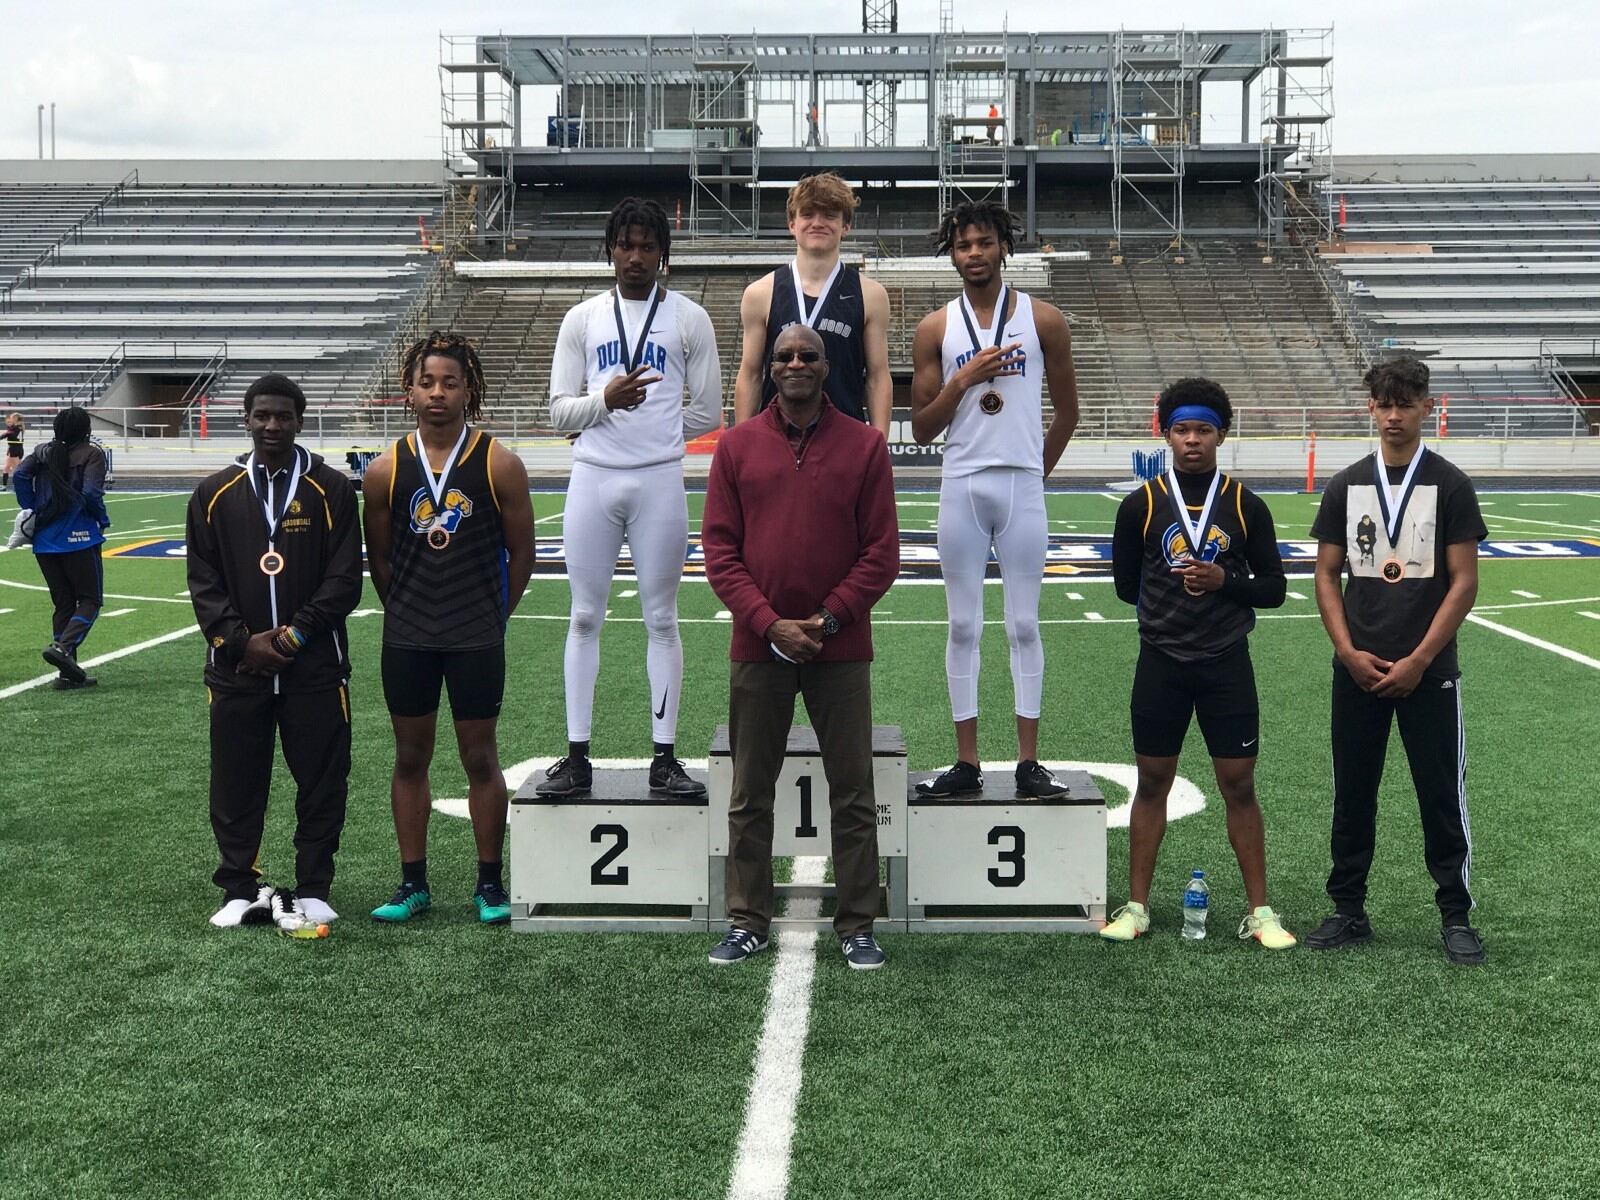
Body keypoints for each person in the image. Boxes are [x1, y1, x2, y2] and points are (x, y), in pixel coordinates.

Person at [701, 324, 899, 970]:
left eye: (806, 355)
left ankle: (858, 924)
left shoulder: (867, 447)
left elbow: (882, 555)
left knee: (854, 790)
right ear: (771, 368)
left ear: (825, 364)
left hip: (839, 650)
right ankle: (747, 918)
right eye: (783, 354)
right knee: (750, 790)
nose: (793, 363)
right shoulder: (735, 448)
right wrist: (769, 624)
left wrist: (827, 619)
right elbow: (720, 554)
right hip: (759, 648)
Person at [537, 198, 723, 799]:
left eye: (648, 246)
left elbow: (707, 410)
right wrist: (605, 404)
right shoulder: (582, 318)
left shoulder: (690, 318)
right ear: (610, 250)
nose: (636, 256)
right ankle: (576, 756)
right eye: (626, 245)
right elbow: (559, 409)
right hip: (593, 475)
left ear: (663, 253)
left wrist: (658, 432)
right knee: (585, 614)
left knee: (663, 618)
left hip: (659, 480)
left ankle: (664, 757)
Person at [1101, 379, 1295, 948]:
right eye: (1182, 430)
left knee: (1239, 784)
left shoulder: (1244, 504)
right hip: (1161, 661)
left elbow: (1275, 589)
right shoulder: (1140, 504)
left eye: (1203, 430)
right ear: (1165, 435)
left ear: (1221, 436)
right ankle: (1136, 906)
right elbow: (1123, 586)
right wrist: (1170, 610)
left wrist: (1224, 582)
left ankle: (1260, 911)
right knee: (1152, 780)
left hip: (1226, 663)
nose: (1192, 441)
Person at [1307, 355, 1488, 965]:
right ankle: (1348, 909)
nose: (1392, 416)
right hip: (1356, 670)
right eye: (1383, 405)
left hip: (1428, 672)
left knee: (1439, 793)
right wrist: (1346, 651)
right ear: (1370, 410)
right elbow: (1326, 575)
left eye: (1404, 404)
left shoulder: (1450, 483)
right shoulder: (1346, 483)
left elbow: (1464, 583)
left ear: (1426, 408)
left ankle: (1455, 914)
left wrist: (1418, 659)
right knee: (1352, 793)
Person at [362, 333, 535, 926]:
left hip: (474, 639)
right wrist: (407, 609)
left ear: (470, 389)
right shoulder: (385, 469)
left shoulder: (499, 463)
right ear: (409, 390)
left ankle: (490, 883)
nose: (438, 393)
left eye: (450, 382)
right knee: (410, 758)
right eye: (426, 382)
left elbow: (524, 555)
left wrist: (490, 617)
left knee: (480, 758)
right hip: (408, 637)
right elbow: (380, 559)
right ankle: (413, 884)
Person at [909, 202, 1079, 799]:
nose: (974, 253)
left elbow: (1069, 413)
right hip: (961, 483)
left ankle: (1030, 763)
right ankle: (967, 762)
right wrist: (963, 380)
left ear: (1004, 245)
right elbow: (923, 428)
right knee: (962, 623)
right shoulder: (935, 328)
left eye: (984, 242)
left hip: (1019, 485)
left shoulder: (1045, 319)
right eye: (963, 246)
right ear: (951, 253)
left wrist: (1035, 472)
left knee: (1024, 623)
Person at [186, 374, 363, 929]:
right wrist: (241, 643)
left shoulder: (331, 490)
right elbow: (203, 582)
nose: (272, 426)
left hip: (314, 668)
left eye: (283, 417)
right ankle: (239, 886)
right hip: (237, 672)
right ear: (247, 419)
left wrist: (290, 637)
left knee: (322, 781)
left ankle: (314, 885)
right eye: (262, 416)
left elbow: (344, 580)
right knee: (236, 781)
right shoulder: (213, 493)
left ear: (299, 421)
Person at [733, 172, 892, 436]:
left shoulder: (871, 294)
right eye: (807, 214)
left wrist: (879, 444)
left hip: (844, 441)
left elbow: (877, 377)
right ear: (792, 224)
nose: (818, 223)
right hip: (776, 439)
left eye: (829, 215)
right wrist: (742, 444)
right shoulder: (760, 293)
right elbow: (750, 374)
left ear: (846, 226)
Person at [13, 406, 109, 689]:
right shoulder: (92, 454)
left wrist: (32, 506)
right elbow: (91, 493)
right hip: (79, 537)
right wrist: (101, 518)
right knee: (90, 600)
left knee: (63, 602)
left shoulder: (42, 452)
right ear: (85, 430)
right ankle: (63, 648)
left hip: (44, 541)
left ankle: (67, 674)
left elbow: (19, 475)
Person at [3, 412, 22, 488]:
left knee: (16, 468)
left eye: (10, 421)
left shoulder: (18, 427)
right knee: (6, 467)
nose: (9, 423)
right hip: (11, 448)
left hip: (16, 449)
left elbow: (9, 434)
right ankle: (4, 486)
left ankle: (17, 485)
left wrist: (3, 435)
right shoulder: (11, 428)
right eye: (7, 422)